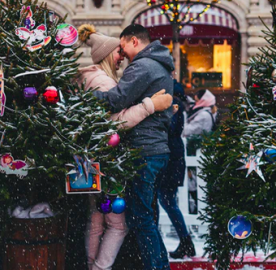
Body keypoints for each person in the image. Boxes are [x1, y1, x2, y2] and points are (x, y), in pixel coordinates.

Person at [76, 24, 173, 270]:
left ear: (132, 41)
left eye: (122, 48)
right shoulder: (158, 64)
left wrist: (80, 97)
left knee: (139, 219)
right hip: (151, 148)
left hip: (144, 149)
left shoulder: (142, 65)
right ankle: (158, 265)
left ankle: (156, 267)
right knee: (140, 218)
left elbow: (116, 100)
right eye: (117, 52)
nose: (122, 56)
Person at [156, 81, 196, 259]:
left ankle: (186, 242)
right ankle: (186, 242)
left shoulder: (174, 105)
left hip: (171, 157)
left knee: (166, 201)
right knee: (167, 200)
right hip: (173, 155)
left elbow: (170, 129)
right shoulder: (176, 103)